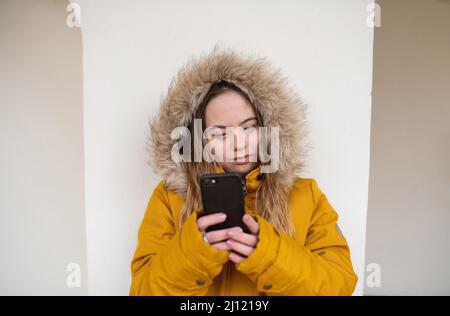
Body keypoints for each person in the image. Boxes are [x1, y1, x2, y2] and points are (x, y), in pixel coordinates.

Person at [130, 48, 358, 295]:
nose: (238, 144)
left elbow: (339, 286)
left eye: (249, 128)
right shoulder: (169, 198)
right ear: (199, 140)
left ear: (269, 128)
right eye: (220, 133)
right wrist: (196, 249)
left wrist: (269, 255)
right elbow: (143, 291)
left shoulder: (306, 196)